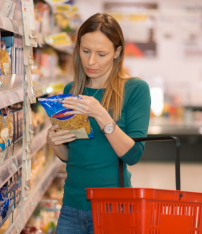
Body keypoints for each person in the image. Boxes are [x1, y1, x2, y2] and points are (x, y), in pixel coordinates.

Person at [46, 13, 151, 234]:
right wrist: (54, 142)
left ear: (117, 52)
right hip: (72, 207)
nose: (91, 61)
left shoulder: (135, 89)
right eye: (85, 51)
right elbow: (72, 155)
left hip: (114, 208)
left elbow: (133, 155)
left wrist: (102, 115)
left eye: (101, 54)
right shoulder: (71, 91)